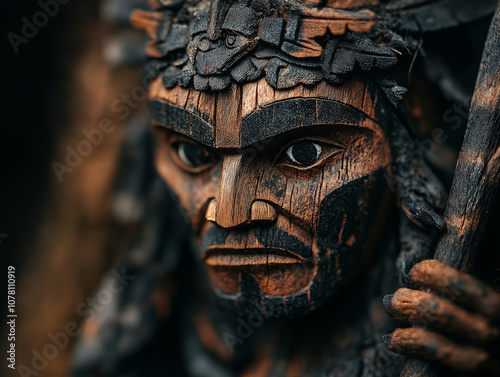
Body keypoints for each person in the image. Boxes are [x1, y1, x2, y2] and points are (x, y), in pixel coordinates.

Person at [73, 0, 500, 376]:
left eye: (303, 153)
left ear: (411, 132)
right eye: (191, 154)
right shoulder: (141, 337)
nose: (229, 213)